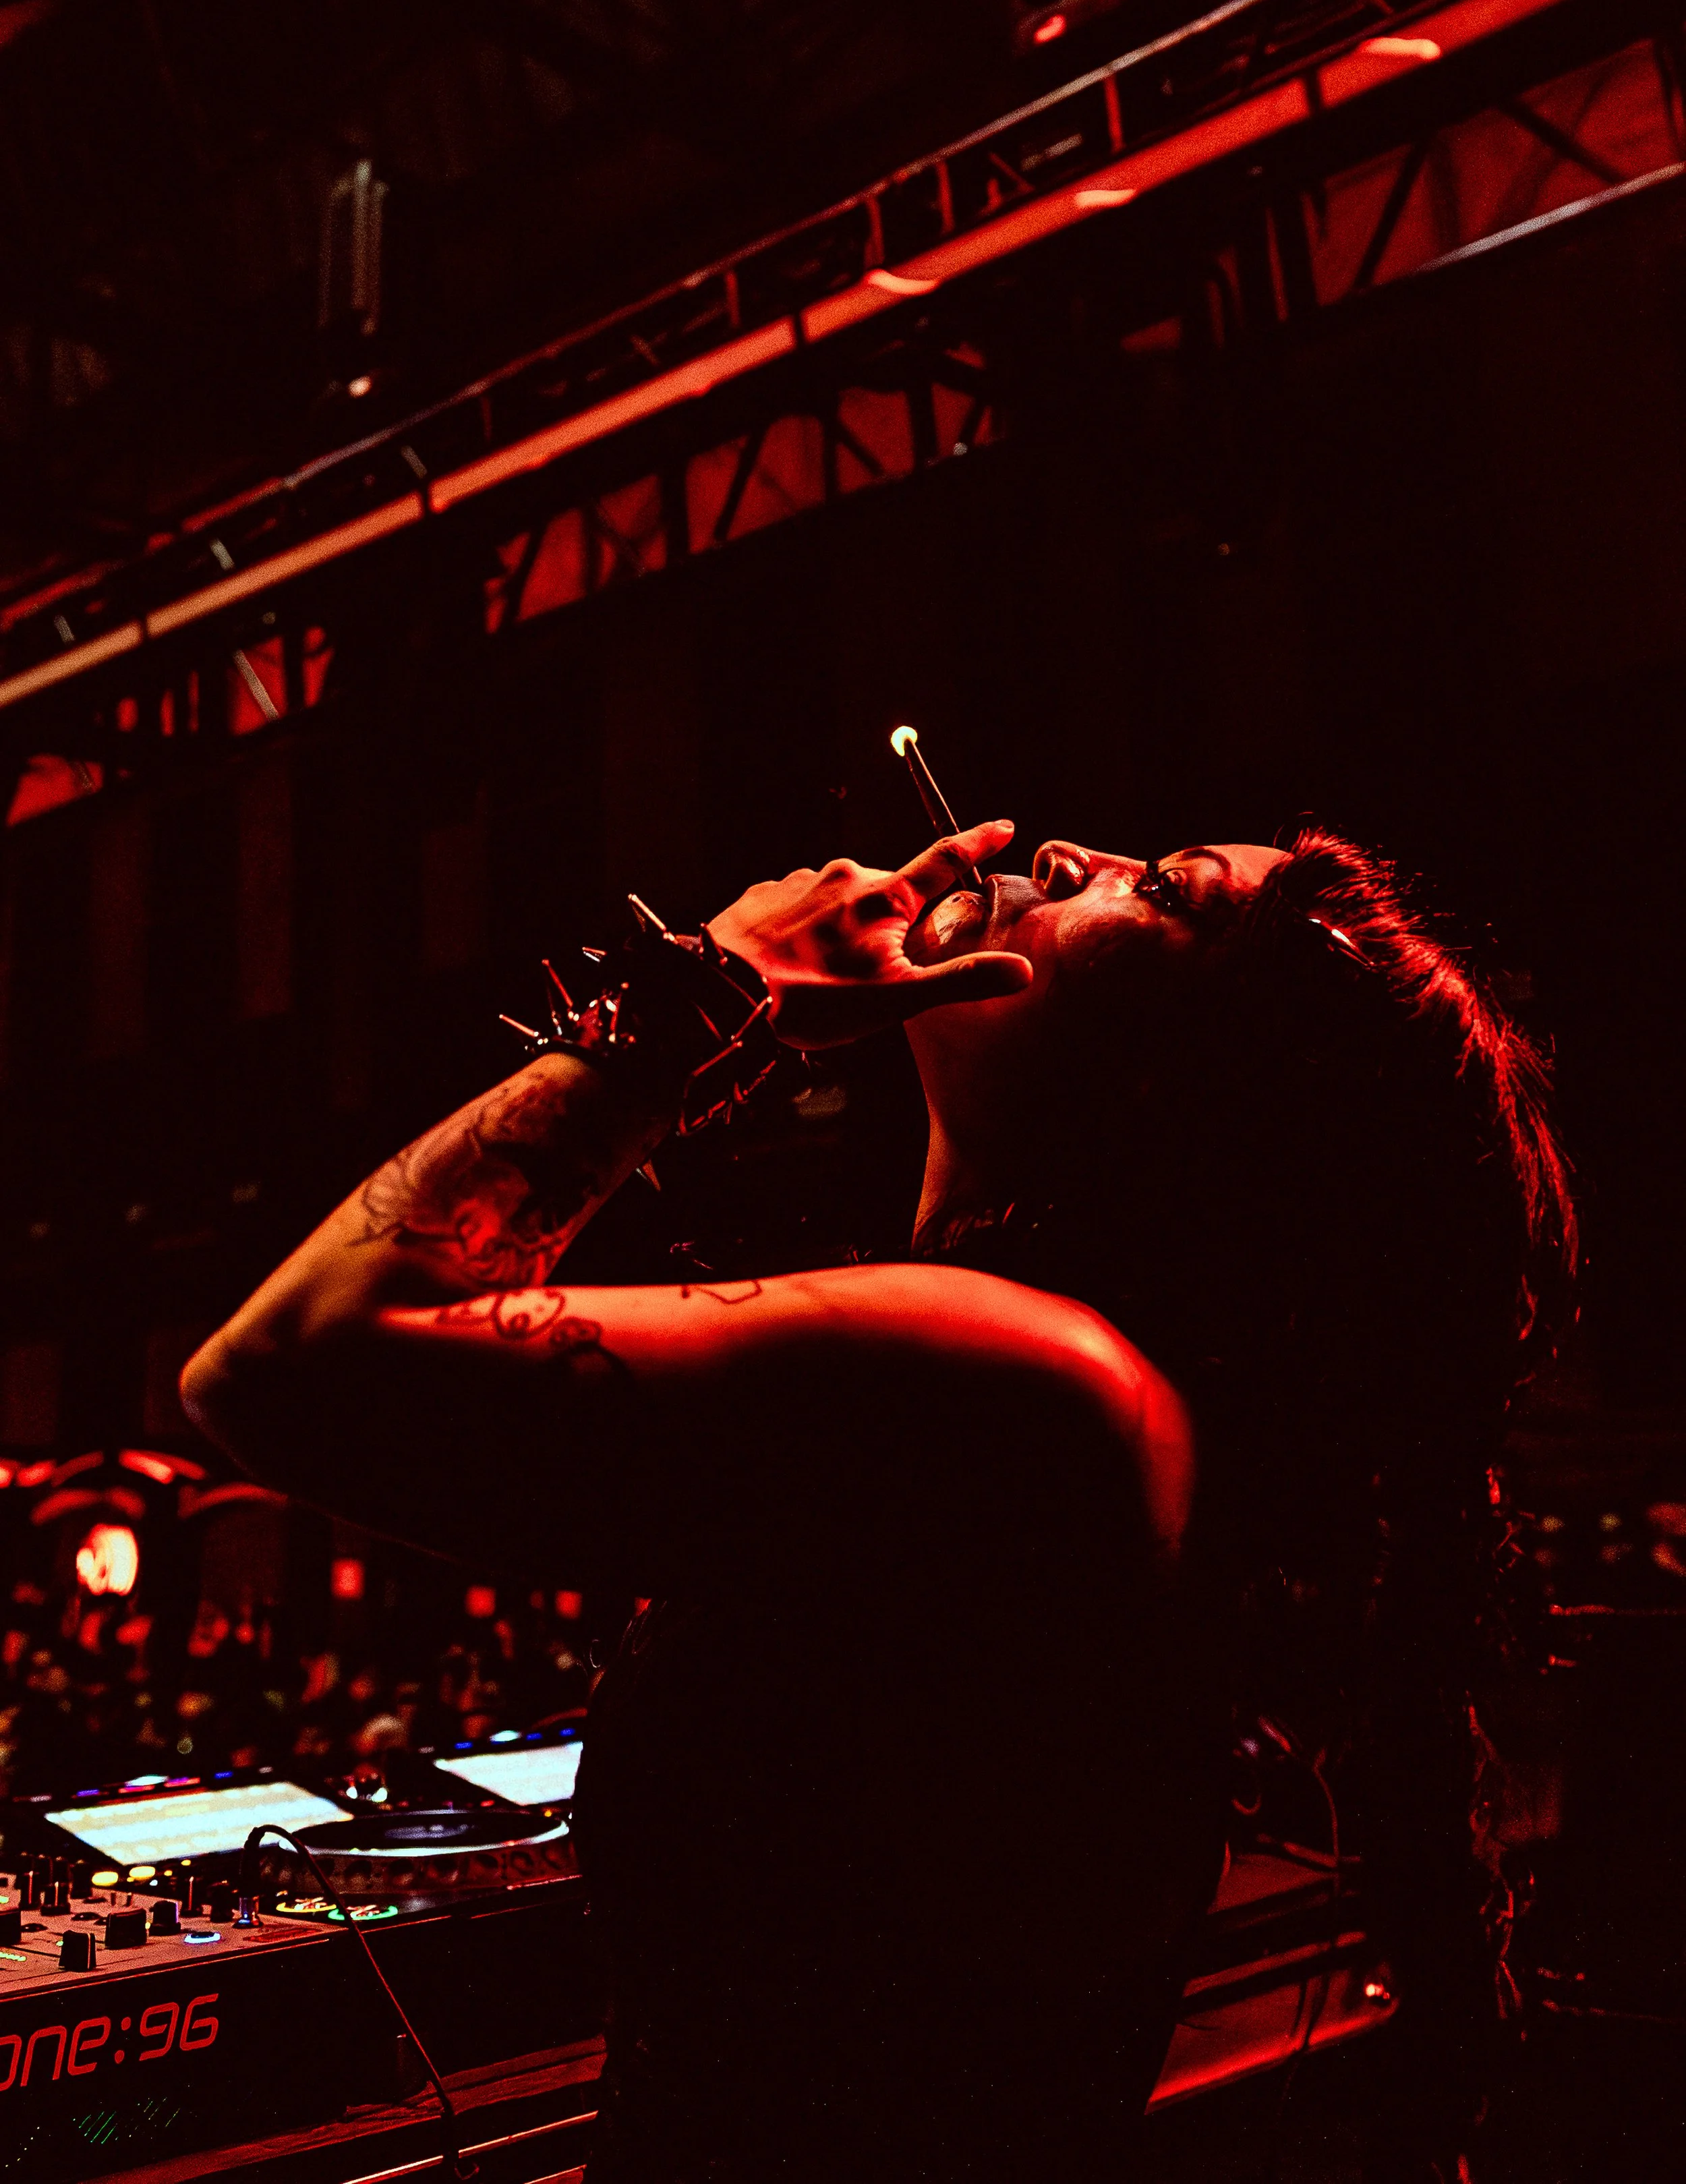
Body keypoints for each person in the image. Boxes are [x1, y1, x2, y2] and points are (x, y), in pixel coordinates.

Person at [181, 815, 1575, 2182]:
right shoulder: (1052, 1389)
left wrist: (703, 993)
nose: (1062, 853)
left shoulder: (1035, 1388)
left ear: (1199, 1090)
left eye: (1161, 889)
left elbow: (293, 1364)